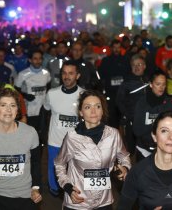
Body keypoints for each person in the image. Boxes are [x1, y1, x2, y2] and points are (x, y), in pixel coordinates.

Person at [54, 89, 131, 210]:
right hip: (78, 201)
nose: (93, 111)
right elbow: (59, 164)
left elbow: (124, 157)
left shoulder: (113, 134)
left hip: (104, 201)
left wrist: (125, 168)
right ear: (81, 112)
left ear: (102, 110)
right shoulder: (72, 137)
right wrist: (68, 187)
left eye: (98, 106)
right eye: (88, 107)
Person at [42, 60, 84, 196]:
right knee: (54, 171)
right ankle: (54, 190)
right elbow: (45, 111)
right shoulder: (51, 94)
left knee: (75, 171)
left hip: (75, 143)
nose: (67, 76)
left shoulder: (84, 95)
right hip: (55, 142)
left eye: (71, 73)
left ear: (77, 76)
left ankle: (73, 191)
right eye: (64, 73)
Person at [133, 71, 172, 160]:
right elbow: (137, 130)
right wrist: (159, 125)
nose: (161, 87)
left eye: (163, 84)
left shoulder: (170, 103)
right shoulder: (142, 103)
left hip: (165, 150)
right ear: (151, 84)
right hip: (144, 150)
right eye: (158, 84)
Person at [15, 50, 51, 143]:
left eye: (40, 59)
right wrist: (25, 95)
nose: (38, 61)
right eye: (35, 58)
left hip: (42, 110)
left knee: (41, 137)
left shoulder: (46, 73)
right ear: (30, 60)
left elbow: (49, 89)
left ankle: (38, 156)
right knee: (28, 136)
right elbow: (15, 91)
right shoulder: (22, 74)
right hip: (28, 110)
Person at [116, 54, 149, 154]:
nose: (137, 67)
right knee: (131, 149)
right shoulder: (126, 83)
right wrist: (129, 115)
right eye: (134, 65)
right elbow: (119, 101)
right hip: (132, 121)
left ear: (144, 66)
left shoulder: (149, 80)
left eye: (139, 64)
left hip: (147, 120)